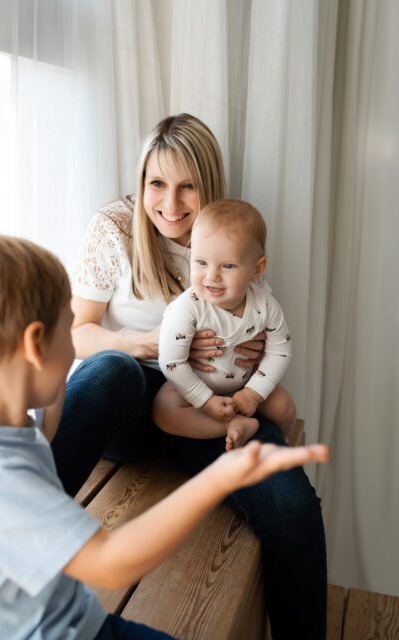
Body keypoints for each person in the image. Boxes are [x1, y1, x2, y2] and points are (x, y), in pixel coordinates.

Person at [0, 232, 328, 640]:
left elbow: (44, 430)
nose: (74, 345)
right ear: (35, 346)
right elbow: (111, 563)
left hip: (72, 619)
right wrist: (221, 476)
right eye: (67, 329)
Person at [51, 113, 328, 639]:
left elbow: (260, 326)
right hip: (131, 404)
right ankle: (19, 518)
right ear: (141, 183)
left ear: (210, 185)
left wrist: (248, 359)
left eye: (188, 187)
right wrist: (146, 343)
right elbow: (76, 334)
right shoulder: (113, 227)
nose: (171, 204)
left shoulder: (227, 236)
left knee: (291, 502)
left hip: (207, 409)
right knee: (112, 370)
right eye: (157, 183)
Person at [154, 199, 296, 451]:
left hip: (245, 385)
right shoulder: (187, 308)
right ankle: (232, 426)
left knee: (284, 407)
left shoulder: (265, 305)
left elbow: (280, 351)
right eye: (201, 262)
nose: (212, 276)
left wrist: (254, 392)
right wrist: (205, 401)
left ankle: (276, 451)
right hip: (197, 386)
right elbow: (171, 362)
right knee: (164, 409)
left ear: (257, 269)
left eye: (228, 266)